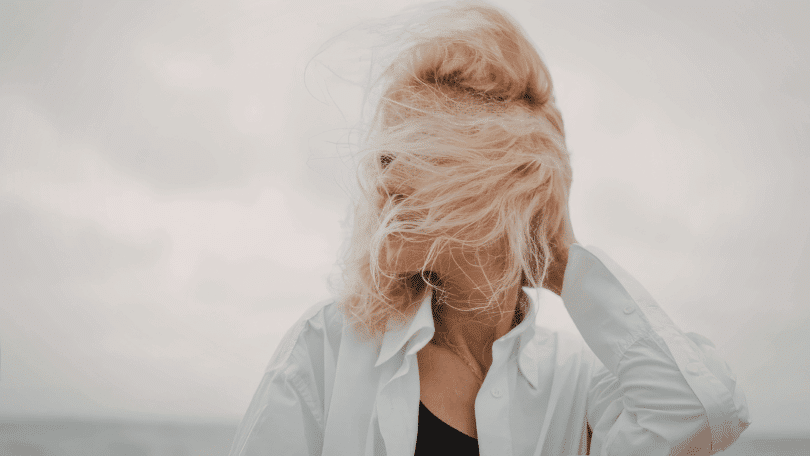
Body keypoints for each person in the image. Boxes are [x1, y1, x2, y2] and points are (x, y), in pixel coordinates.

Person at [228, 1, 751, 454]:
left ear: (494, 184)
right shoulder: (330, 347)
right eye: (383, 150)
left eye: (416, 147)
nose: (383, 172)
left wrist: (562, 257)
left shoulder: (576, 387)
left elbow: (701, 414)